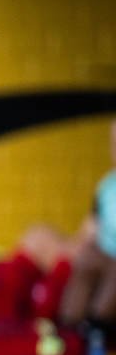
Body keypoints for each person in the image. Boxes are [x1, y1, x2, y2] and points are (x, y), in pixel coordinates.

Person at [60, 119, 116, 327]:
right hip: (104, 249)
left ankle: (98, 324)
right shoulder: (107, 185)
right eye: (113, 143)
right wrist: (75, 245)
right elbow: (92, 222)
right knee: (84, 262)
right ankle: (69, 324)